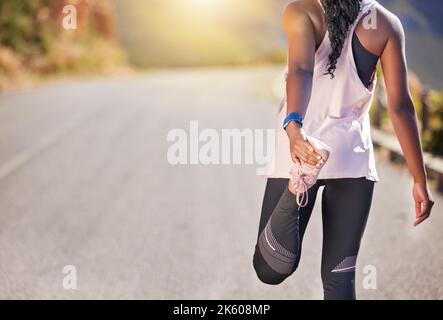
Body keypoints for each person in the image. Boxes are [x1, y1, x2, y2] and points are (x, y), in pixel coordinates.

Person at [252, 0, 435, 300]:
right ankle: (298, 183)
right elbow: (401, 107)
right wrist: (419, 178)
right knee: (340, 279)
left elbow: (300, 69)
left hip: (301, 150)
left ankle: (295, 186)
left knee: (269, 267)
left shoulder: (301, 10)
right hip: (352, 157)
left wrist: (294, 128)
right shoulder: (386, 24)